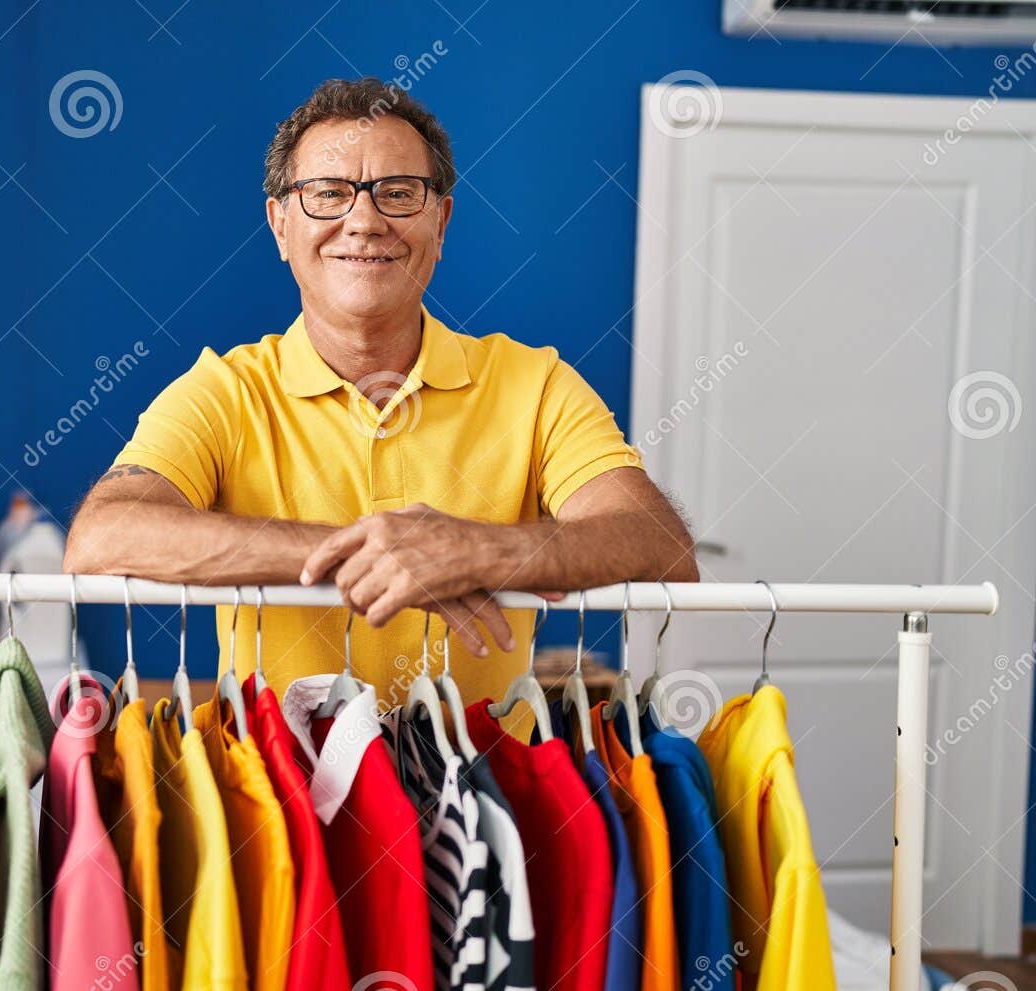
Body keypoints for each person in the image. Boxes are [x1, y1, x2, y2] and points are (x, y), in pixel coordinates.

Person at [66, 77, 698, 722]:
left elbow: (660, 545)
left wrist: (476, 552)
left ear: (441, 221)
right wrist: (379, 553)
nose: (363, 221)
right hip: (278, 805)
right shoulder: (223, 393)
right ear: (280, 225)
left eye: (398, 194)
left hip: (485, 797)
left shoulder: (535, 384)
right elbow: (101, 536)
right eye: (327, 195)